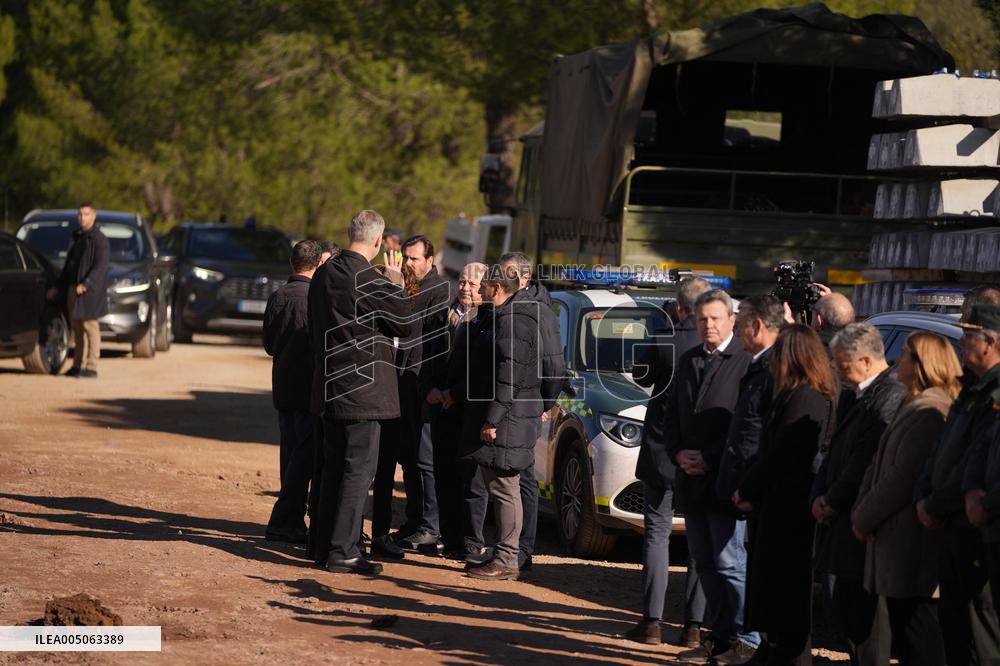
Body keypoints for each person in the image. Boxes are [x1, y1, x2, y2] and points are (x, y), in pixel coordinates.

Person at [307, 210, 412, 576]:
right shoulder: (369, 278)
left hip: (329, 387)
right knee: (357, 474)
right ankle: (344, 551)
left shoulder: (323, 273)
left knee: (333, 470)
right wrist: (396, 283)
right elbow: (406, 323)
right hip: (364, 393)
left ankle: (323, 546)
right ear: (380, 241)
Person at [853, 331, 961, 666]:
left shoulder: (929, 412)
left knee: (919, 636)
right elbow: (879, 465)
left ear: (922, 364)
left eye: (905, 355)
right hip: (896, 541)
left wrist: (863, 517)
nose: (897, 359)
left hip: (912, 544)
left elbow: (900, 478)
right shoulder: (912, 404)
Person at [734, 324, 835, 664]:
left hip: (790, 512)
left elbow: (781, 453)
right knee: (776, 594)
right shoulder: (796, 393)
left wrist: (747, 488)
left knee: (786, 595)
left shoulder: (806, 397)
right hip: (778, 507)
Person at [669, 290, 758, 665]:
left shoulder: (746, 361)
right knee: (704, 563)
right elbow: (670, 416)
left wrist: (708, 458)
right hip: (691, 481)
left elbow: (744, 426)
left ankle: (747, 639)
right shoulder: (688, 360)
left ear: (731, 321)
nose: (708, 325)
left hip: (725, 481)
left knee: (731, 563)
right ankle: (721, 637)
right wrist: (678, 453)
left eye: (715, 319)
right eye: (702, 319)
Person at [625, 276, 712, 647]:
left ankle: (652, 622)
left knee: (657, 534)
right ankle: (693, 627)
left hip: (662, 449)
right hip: (700, 454)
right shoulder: (718, 344)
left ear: (679, 306)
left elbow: (639, 373)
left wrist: (665, 329)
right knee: (698, 541)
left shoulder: (665, 338)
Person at [812, 323, 904, 666]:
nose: (837, 372)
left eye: (842, 365)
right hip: (839, 517)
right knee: (842, 607)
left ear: (865, 361)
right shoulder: (857, 393)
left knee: (865, 620)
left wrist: (832, 499)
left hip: (860, 521)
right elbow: (835, 451)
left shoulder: (889, 397)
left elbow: (864, 460)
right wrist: (819, 494)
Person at [915, 304, 1000, 666]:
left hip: (974, 526)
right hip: (952, 523)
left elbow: (972, 458)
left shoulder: (993, 392)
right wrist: (924, 495)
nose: (962, 344)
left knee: (979, 631)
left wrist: (939, 503)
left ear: (991, 342)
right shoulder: (972, 388)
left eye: (969, 337)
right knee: (954, 625)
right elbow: (943, 450)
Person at [460, 262, 545, 580]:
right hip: (508, 417)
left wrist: (492, 418)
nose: (477, 289)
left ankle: (507, 559)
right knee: (501, 488)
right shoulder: (506, 317)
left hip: (507, 420)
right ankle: (504, 554)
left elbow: (508, 377)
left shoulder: (512, 322)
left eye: (483, 285)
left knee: (506, 488)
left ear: (496, 288)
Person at [370, 235, 450, 558]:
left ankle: (430, 526)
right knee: (407, 458)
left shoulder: (438, 290)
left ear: (430, 262)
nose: (408, 263)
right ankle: (415, 520)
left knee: (423, 460)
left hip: (420, 383)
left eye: (415, 259)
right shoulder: (406, 285)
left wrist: (421, 384)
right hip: (401, 382)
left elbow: (425, 342)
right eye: (405, 257)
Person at [263, 240, 324, 544]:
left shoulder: (278, 296)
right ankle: (284, 520)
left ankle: (291, 519)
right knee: (304, 457)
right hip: (308, 389)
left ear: (291, 263)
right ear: (317, 264)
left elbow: (269, 344)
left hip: (283, 387)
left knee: (289, 455)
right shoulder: (315, 298)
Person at [424, 262, 487, 558]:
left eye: (473, 284)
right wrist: (433, 391)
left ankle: (472, 542)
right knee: (444, 475)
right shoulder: (442, 316)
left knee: (471, 482)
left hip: (470, 412)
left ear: (485, 288)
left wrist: (455, 394)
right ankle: (450, 541)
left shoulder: (487, 321)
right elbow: (426, 358)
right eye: (462, 282)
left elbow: (482, 371)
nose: (465, 288)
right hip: (442, 410)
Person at [48, 204, 109, 378]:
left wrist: (87, 283)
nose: (82, 217)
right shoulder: (78, 237)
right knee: (77, 329)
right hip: (73, 289)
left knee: (90, 327)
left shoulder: (99, 239)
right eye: (80, 214)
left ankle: (91, 367)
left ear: (93, 216)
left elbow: (101, 266)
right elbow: (69, 266)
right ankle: (77, 365)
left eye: (86, 214)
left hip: (89, 292)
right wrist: (58, 287)